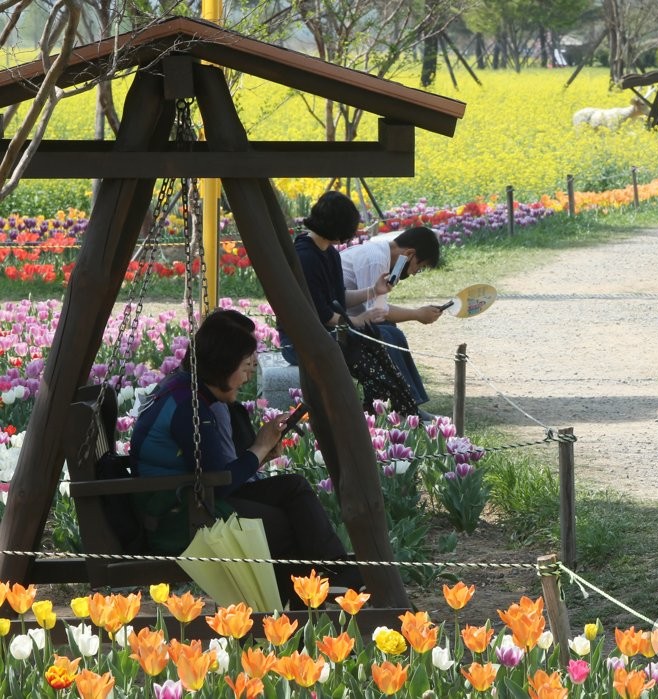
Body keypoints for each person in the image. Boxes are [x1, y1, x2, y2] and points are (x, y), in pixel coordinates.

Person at [130, 309, 363, 603]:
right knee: (281, 526)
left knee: (293, 487)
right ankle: (295, 605)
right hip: (175, 516)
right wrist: (259, 448)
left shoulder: (186, 391)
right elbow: (221, 482)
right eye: (245, 364)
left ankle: (333, 571)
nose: (249, 373)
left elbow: (216, 473)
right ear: (223, 365)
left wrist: (259, 455)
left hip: (187, 497)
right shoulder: (190, 408)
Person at [278, 191, 419, 415]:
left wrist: (374, 290)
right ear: (338, 227)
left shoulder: (330, 254)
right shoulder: (305, 257)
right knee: (370, 349)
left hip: (332, 332)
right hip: (303, 342)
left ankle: (403, 406)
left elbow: (339, 297)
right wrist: (357, 320)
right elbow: (322, 314)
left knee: (384, 337)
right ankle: (393, 410)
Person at [340, 226, 442, 420]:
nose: (413, 273)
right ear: (410, 253)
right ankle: (406, 406)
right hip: (338, 324)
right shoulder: (376, 258)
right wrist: (417, 314)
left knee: (391, 332)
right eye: (418, 268)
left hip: (349, 320)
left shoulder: (380, 255)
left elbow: (378, 309)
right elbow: (379, 312)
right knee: (386, 334)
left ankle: (407, 404)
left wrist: (417, 313)